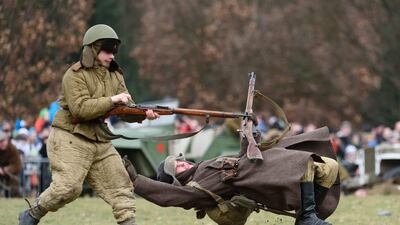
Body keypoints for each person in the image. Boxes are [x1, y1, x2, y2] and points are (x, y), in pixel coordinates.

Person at [19, 24, 159, 225]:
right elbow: (80, 109)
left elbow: (125, 108)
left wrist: (143, 114)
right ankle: (32, 214)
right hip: (70, 138)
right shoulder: (74, 75)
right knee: (67, 189)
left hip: (100, 141)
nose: (111, 56)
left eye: (114, 51)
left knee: (122, 188)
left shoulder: (115, 75)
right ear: (92, 49)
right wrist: (112, 100)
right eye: (107, 51)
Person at [124, 127, 340, 225]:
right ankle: (308, 218)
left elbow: (238, 159)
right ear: (175, 180)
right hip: (257, 180)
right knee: (309, 163)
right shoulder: (195, 191)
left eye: (180, 160)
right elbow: (169, 196)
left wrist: (248, 136)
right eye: (177, 166)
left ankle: (309, 216)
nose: (182, 162)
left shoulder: (203, 166)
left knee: (329, 166)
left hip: (259, 164)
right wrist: (137, 181)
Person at [0, 130, 22, 197]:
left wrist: (5, 169)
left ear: (7, 140)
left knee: (14, 184)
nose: (2, 144)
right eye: (0, 142)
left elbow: (17, 165)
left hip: (10, 174)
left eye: (3, 141)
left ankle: (16, 198)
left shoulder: (13, 150)